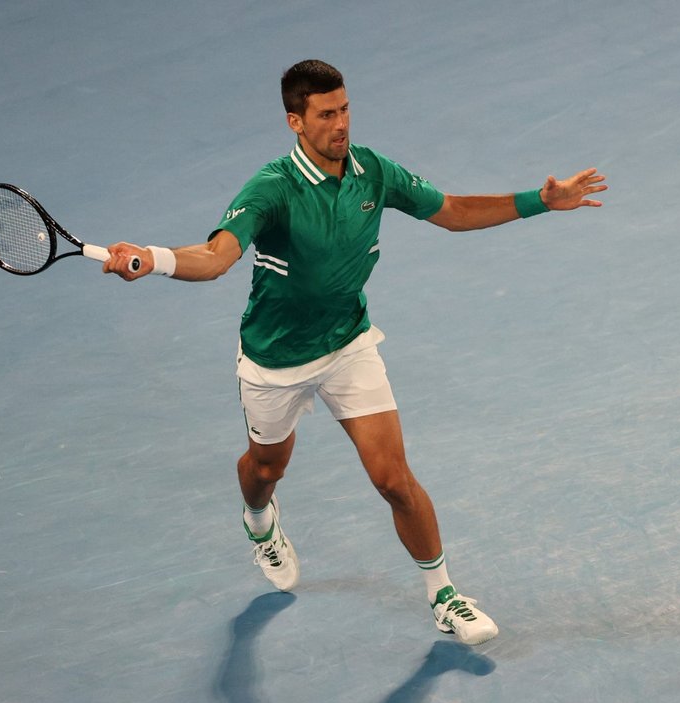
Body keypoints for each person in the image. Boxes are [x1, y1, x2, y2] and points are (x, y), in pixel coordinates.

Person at [104, 59, 606, 646]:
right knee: (266, 468)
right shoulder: (272, 189)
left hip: (347, 343)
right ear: (295, 121)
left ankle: (444, 595)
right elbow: (216, 257)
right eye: (325, 115)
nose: (340, 124)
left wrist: (541, 201)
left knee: (393, 478)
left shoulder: (374, 170)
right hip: (276, 358)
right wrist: (153, 258)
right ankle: (260, 521)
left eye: (344, 109)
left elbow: (452, 212)